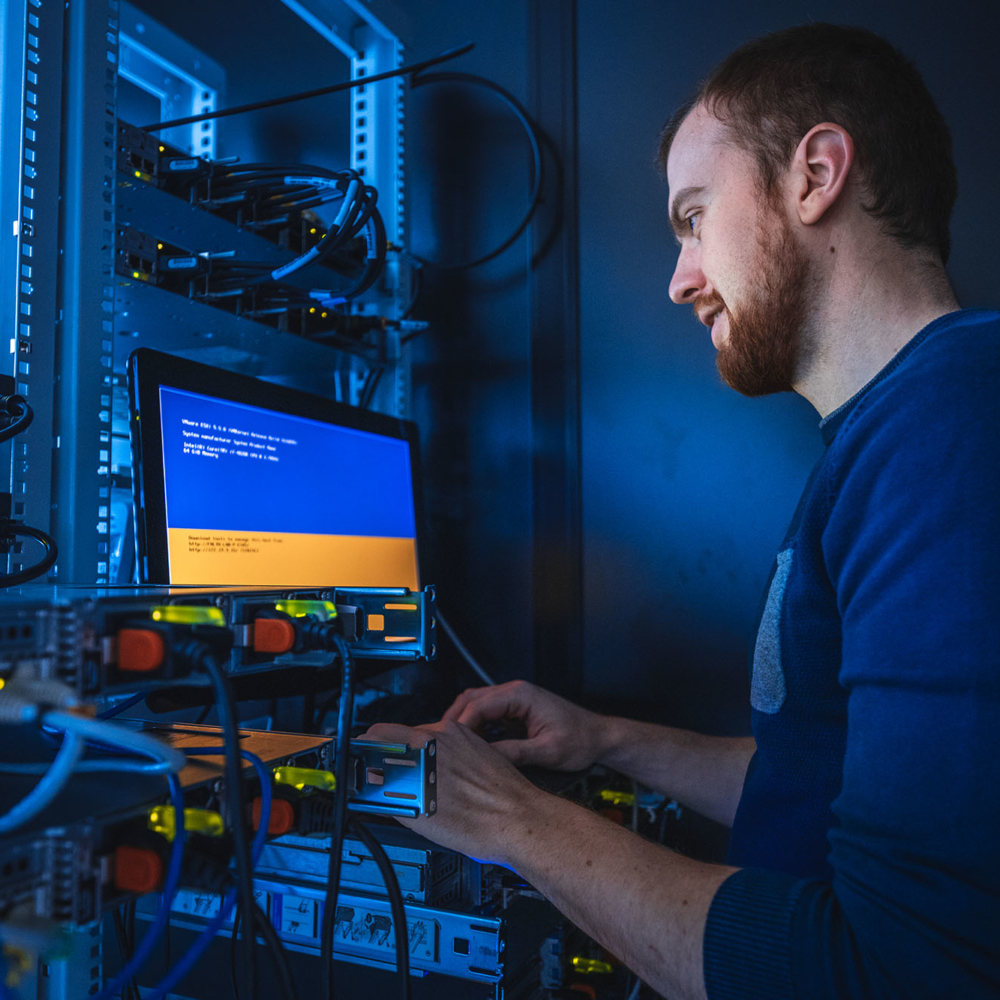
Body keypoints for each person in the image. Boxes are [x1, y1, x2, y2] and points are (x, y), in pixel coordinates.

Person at [366, 23, 1000, 999]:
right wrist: (611, 741)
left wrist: (505, 819)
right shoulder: (897, 431)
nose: (677, 280)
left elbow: (893, 972)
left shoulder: (951, 425)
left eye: (694, 216)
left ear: (816, 174)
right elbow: (825, 780)